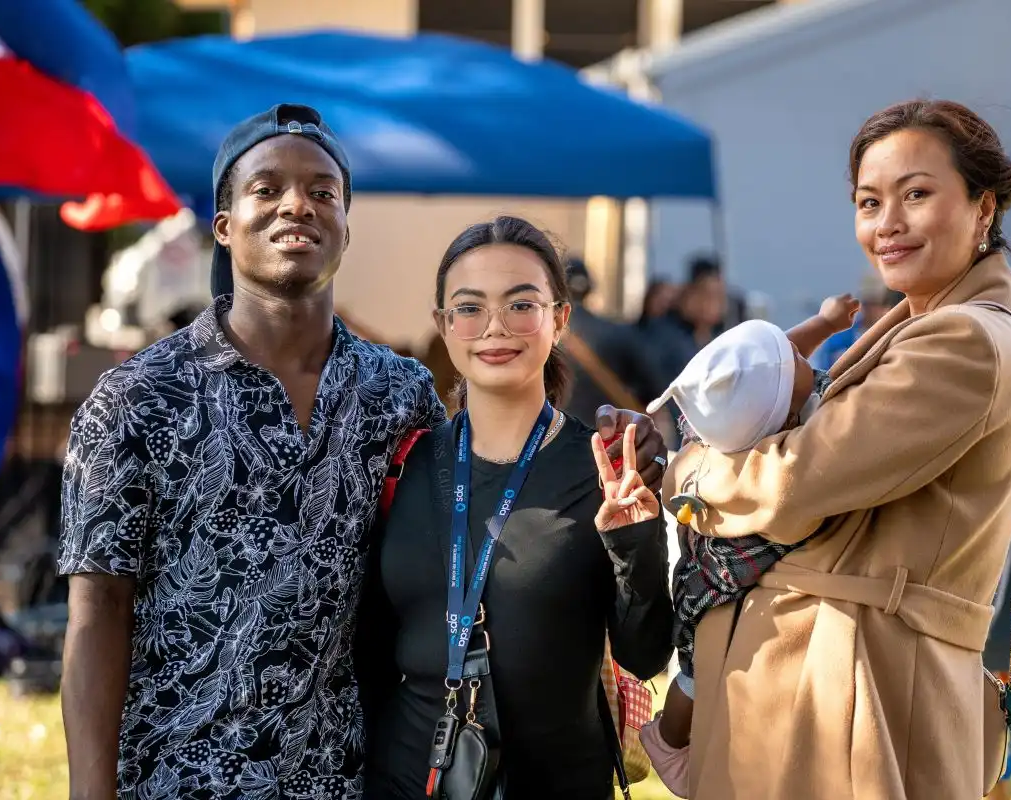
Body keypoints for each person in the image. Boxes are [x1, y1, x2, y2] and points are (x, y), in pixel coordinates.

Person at [56, 105, 667, 800]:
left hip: (344, 777)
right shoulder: (136, 399)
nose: (298, 206)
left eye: (323, 192)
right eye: (266, 189)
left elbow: (483, 491)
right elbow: (98, 610)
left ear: (347, 227)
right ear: (223, 226)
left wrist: (616, 460)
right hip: (178, 777)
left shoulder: (397, 393)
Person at [663, 99, 1011, 799]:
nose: (886, 223)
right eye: (870, 202)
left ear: (983, 207)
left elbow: (799, 478)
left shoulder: (965, 340)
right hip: (824, 675)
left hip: (857, 684)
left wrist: (686, 469)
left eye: (917, 194)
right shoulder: (929, 322)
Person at [361, 216, 674, 800]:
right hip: (408, 777)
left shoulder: (601, 468)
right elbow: (371, 649)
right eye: (470, 307)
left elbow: (644, 651)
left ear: (560, 319)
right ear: (443, 325)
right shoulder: (405, 463)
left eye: (521, 304)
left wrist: (635, 541)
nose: (495, 328)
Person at [636, 295, 860, 797]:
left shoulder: (724, 415)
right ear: (781, 419)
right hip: (729, 567)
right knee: (694, 673)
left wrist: (824, 324)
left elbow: (775, 360)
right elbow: (782, 367)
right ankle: (669, 738)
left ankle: (676, 732)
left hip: (700, 546)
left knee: (694, 664)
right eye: (799, 363)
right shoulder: (785, 449)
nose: (804, 358)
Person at [561, 257, 662, 424]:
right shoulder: (618, 333)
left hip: (553, 437)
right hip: (607, 437)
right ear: (590, 288)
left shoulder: (540, 337)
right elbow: (652, 388)